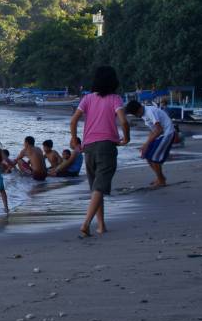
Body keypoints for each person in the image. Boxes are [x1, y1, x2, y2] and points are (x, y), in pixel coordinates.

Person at [70, 66, 130, 237]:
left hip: (89, 147)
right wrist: (126, 138)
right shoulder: (115, 99)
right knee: (99, 187)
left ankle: (101, 225)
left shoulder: (87, 98)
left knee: (96, 187)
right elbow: (124, 122)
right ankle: (86, 223)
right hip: (107, 146)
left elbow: (73, 120)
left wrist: (74, 139)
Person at [125, 100, 175, 187]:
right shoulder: (144, 114)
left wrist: (146, 144)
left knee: (154, 158)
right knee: (147, 155)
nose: (136, 116)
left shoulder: (150, 112)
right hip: (160, 135)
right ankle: (160, 177)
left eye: (136, 113)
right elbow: (153, 131)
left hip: (167, 134)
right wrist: (146, 144)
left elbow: (159, 130)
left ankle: (161, 180)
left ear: (140, 109)